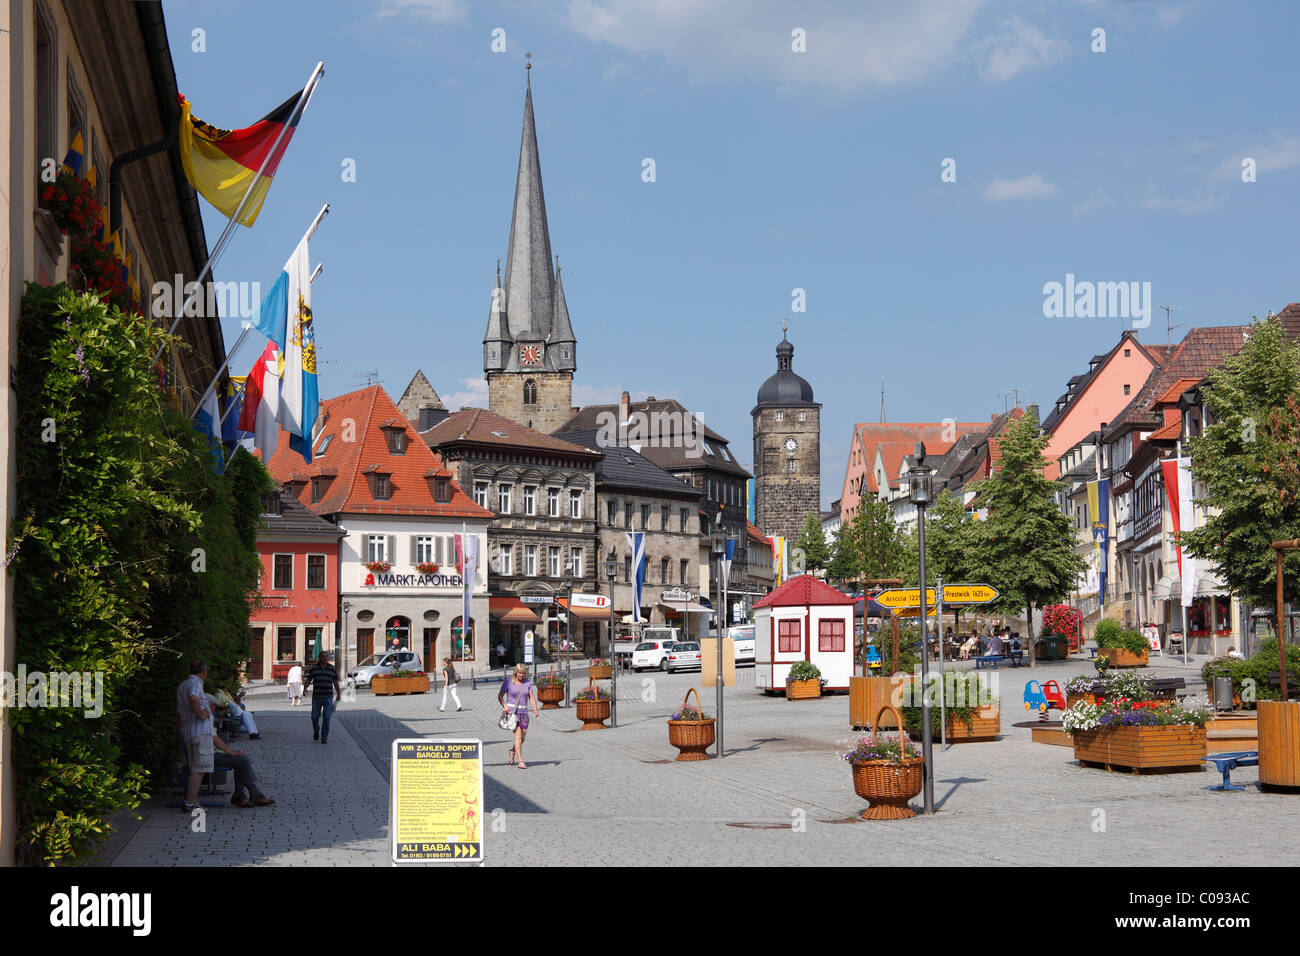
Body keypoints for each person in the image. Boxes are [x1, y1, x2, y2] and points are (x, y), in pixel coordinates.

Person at [177, 660, 215, 812]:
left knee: (195, 767)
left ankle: (190, 800)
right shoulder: (195, 683)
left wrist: (177, 727)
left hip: (189, 731)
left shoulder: (182, 685)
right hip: (200, 732)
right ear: (204, 672)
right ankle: (190, 802)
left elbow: (179, 711)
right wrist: (202, 713)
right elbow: (193, 698)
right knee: (199, 769)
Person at [213, 734, 275, 807]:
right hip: (206, 755)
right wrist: (231, 752)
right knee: (242, 760)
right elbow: (213, 738)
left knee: (242, 759)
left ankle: (243, 795)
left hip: (211, 752)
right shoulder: (202, 722)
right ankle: (250, 794)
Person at [498, 663, 540, 769]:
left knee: (522, 738)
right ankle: (520, 761)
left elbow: (531, 697)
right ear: (516, 673)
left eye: (523, 673)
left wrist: (535, 708)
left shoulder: (527, 683)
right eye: (519, 673)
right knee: (518, 735)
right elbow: (500, 696)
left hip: (524, 713)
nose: (521, 675)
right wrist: (505, 705)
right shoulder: (508, 682)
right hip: (513, 713)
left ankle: (512, 751)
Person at [306, 651, 341, 743]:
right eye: (323, 656)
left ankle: (324, 737)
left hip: (328, 697)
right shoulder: (314, 668)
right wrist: (304, 688)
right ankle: (316, 730)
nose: (325, 658)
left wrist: (338, 693)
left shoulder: (332, 668)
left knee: (326, 717)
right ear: (319, 657)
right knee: (314, 717)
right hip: (317, 697)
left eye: (326, 656)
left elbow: (335, 682)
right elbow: (309, 679)